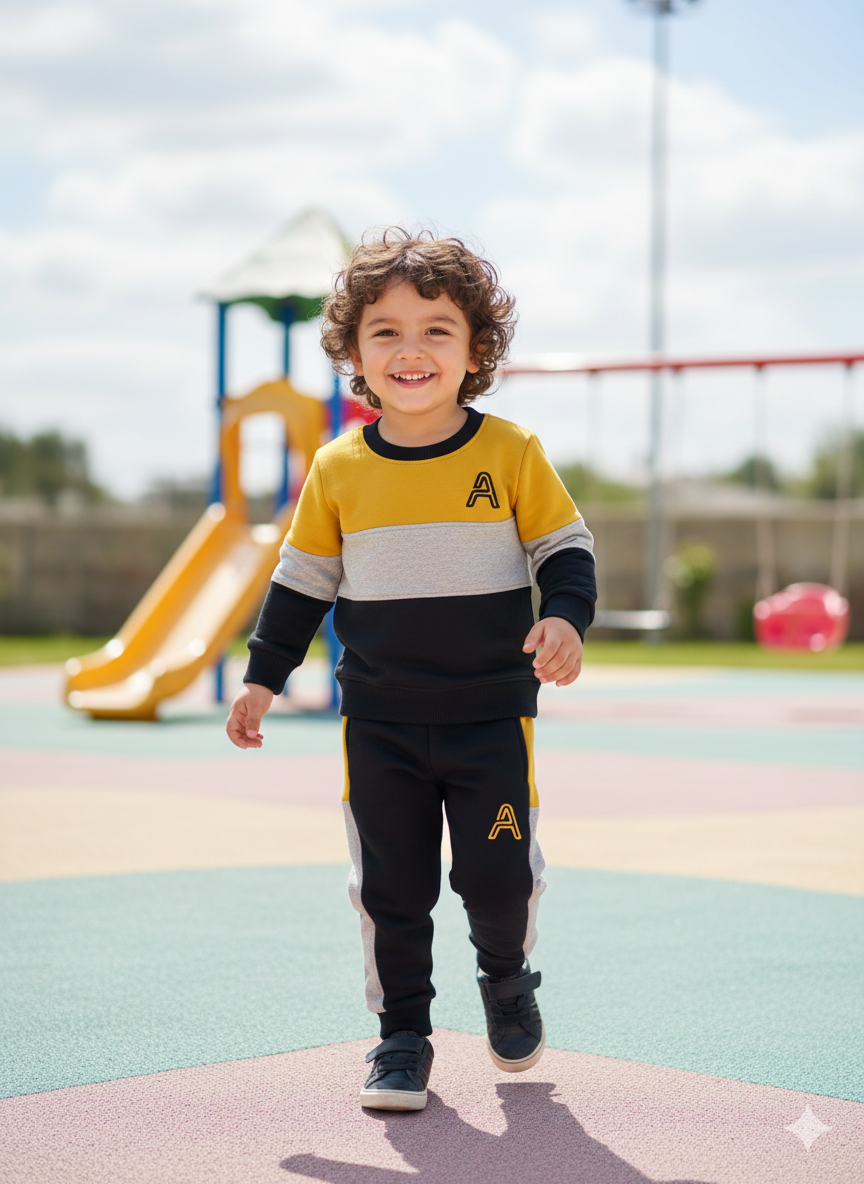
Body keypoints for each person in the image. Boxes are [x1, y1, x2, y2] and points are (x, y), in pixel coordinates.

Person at [226, 229, 596, 1111]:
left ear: (476, 352)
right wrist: (261, 679)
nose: (411, 349)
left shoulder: (509, 451)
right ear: (354, 353)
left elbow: (565, 547)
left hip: (490, 718)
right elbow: (301, 583)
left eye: (437, 330)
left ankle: (506, 978)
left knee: (500, 878)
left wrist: (564, 618)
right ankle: (401, 1038)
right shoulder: (337, 468)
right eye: (385, 331)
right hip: (382, 722)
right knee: (391, 888)